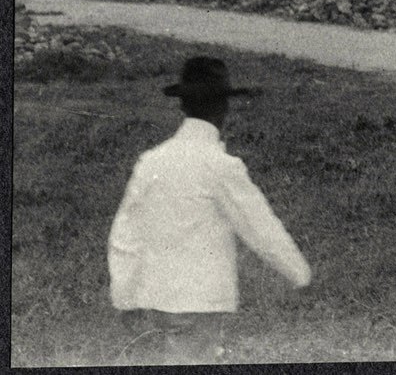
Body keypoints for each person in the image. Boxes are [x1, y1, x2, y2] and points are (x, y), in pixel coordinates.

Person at [109, 56, 311, 364]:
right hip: (199, 301)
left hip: (156, 298)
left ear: (182, 106)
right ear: (223, 109)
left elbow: (125, 231)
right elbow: (260, 229)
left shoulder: (151, 160)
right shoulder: (220, 166)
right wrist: (300, 275)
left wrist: (124, 295)